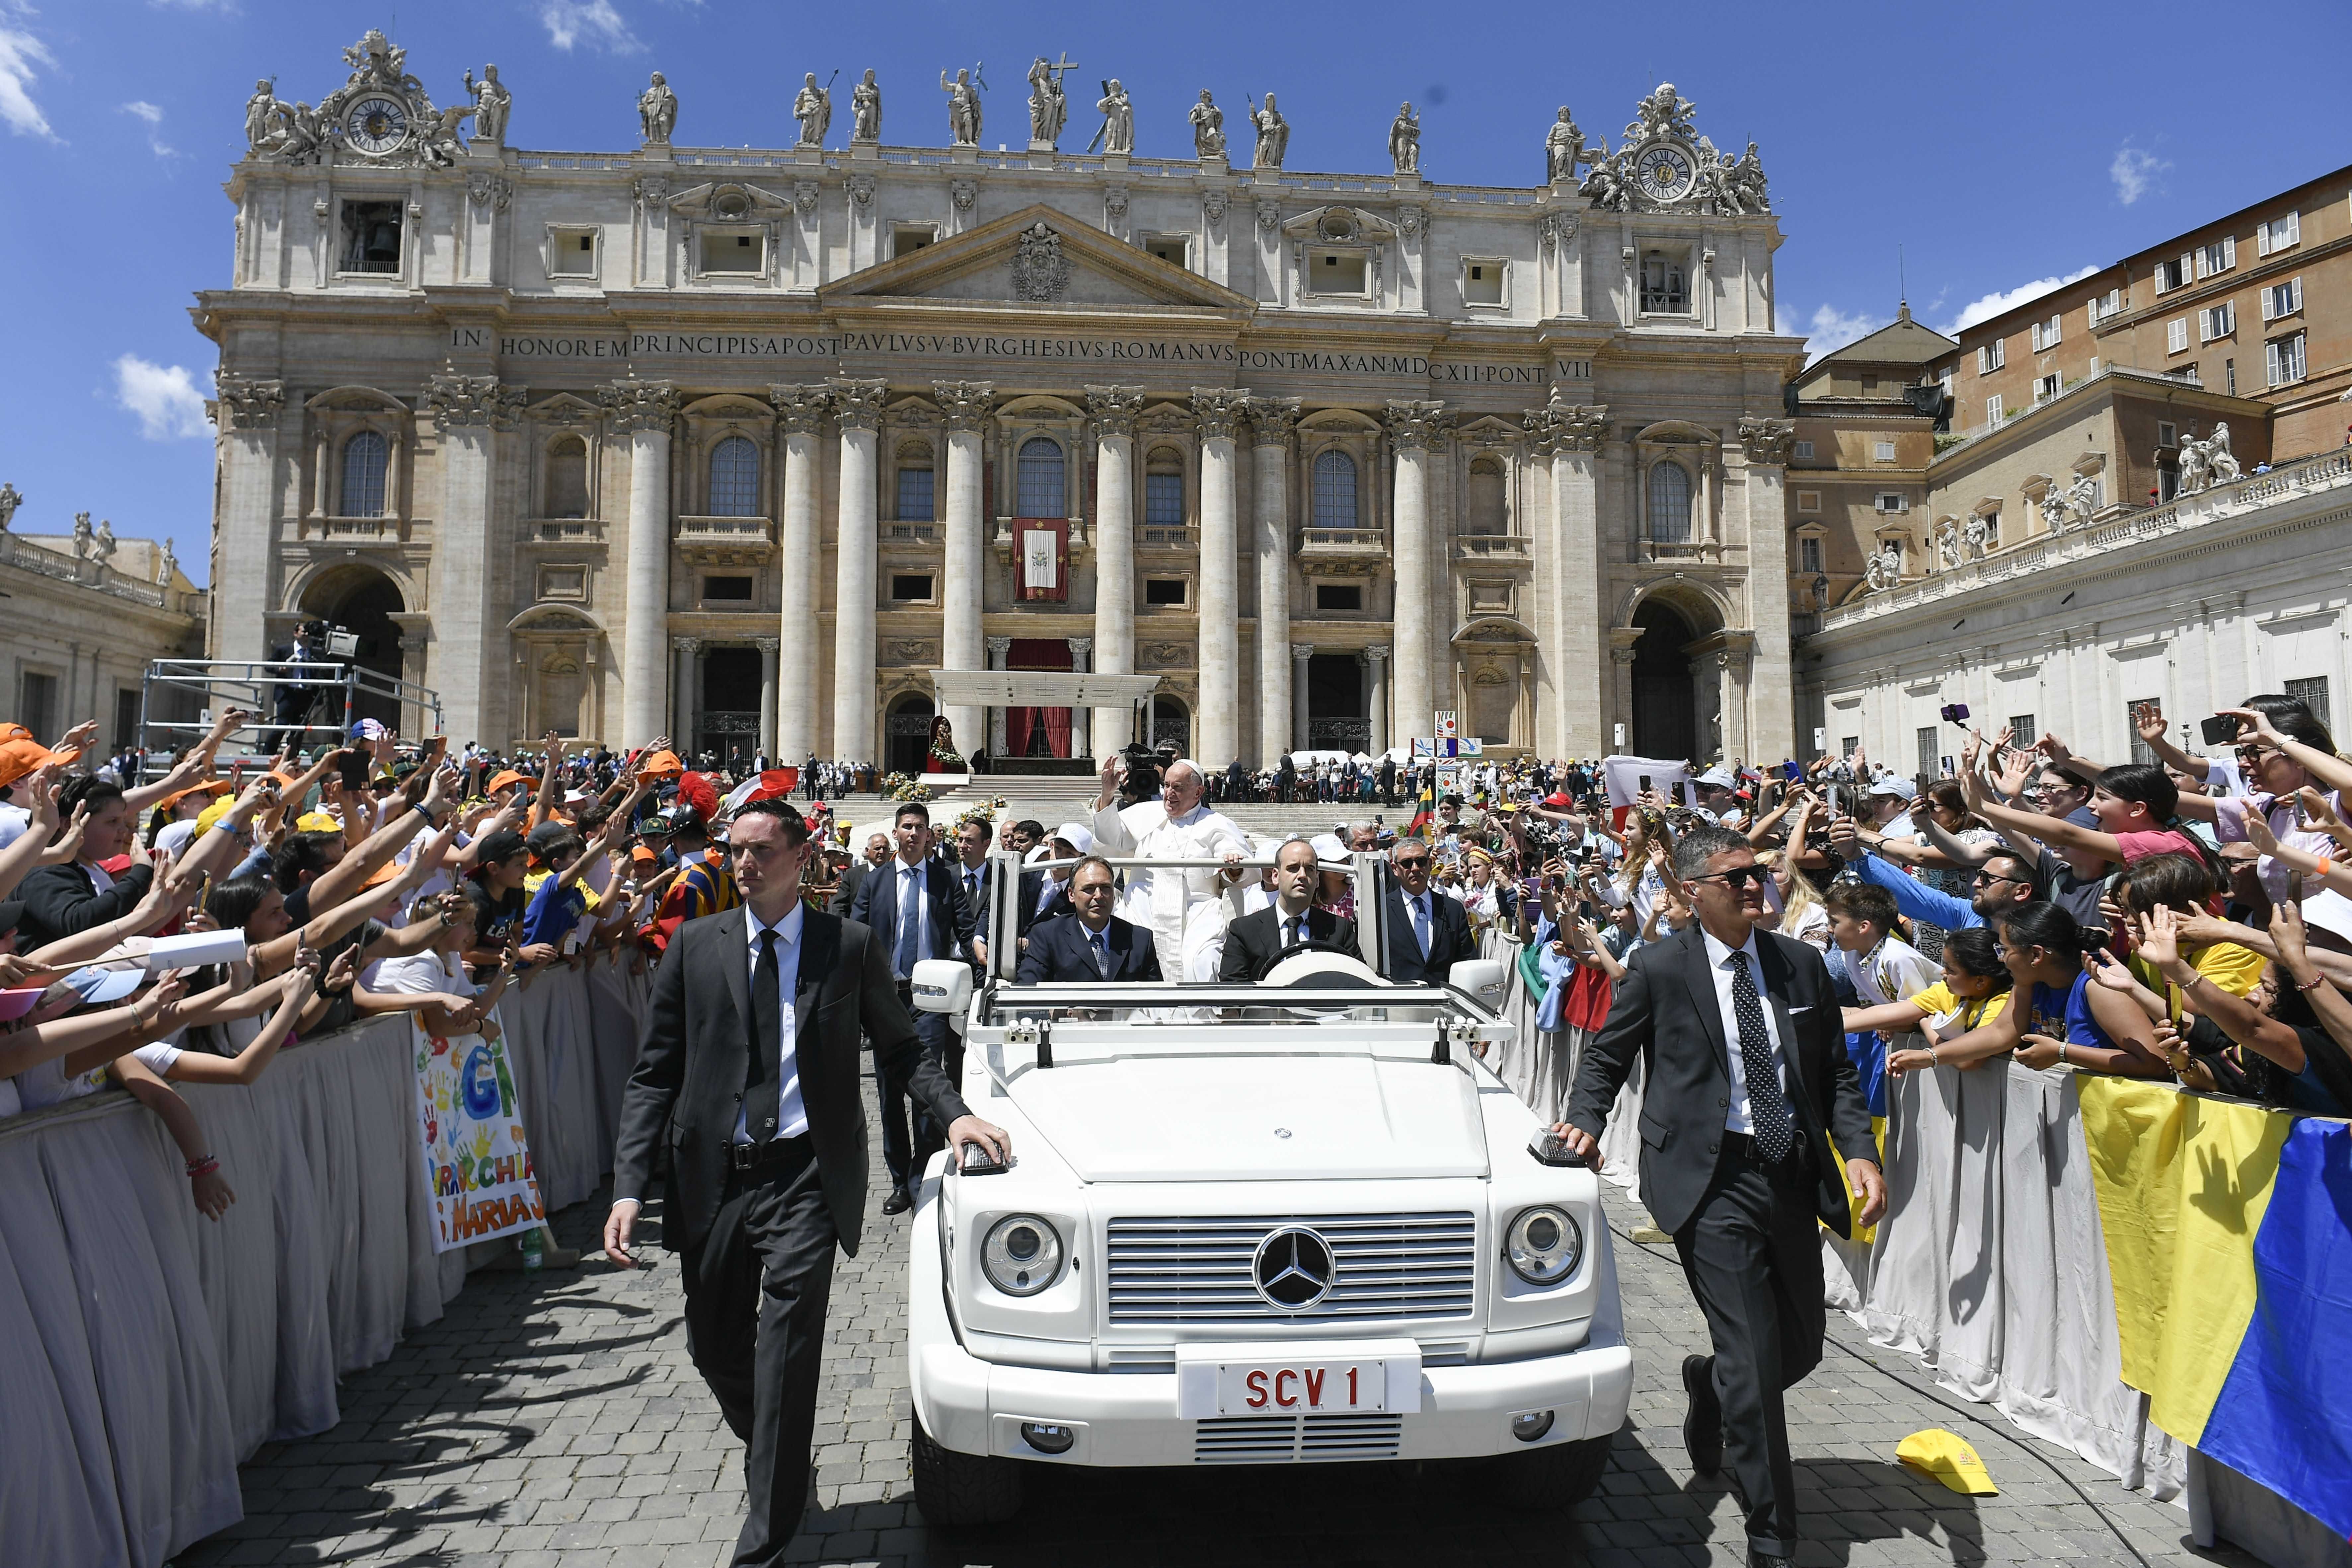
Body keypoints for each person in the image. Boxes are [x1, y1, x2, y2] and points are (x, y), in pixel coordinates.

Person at [604, 799, 1008, 1567]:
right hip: (714, 1179)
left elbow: (901, 1051)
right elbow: (654, 1076)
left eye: (759, 851)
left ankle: (766, 1541)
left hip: (804, 1178)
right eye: (734, 850)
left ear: (801, 857)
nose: (743, 863)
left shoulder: (846, 945)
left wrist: (953, 1116)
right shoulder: (693, 947)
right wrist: (630, 1185)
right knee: (715, 1347)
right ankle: (779, 1455)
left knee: (786, 1358)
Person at [1551, 824, 1884, 1568]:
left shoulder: (1800, 966)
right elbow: (1608, 1055)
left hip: (1790, 1175)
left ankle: (1707, 1382)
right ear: (1696, 892)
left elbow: (1834, 1072)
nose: (1751, 885)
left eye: (1756, 873)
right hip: (1708, 1181)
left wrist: (1858, 1152)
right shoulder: (1659, 967)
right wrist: (1582, 1120)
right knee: (1757, 1359)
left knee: (1797, 1345)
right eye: (1734, 877)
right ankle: (1774, 1535)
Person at [846, 802, 975, 1215]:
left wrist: (977, 960)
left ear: (929, 835)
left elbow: (965, 927)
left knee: (927, 1087)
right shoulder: (876, 881)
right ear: (896, 833)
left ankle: (926, 1176)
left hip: (931, 997)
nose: (913, 833)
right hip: (887, 997)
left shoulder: (945, 878)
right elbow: (858, 931)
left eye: (920, 827)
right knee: (888, 1095)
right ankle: (899, 1180)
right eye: (906, 827)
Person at [1089, 753, 1248, 969]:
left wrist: (1234, 865)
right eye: (1167, 786)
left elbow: (1234, 856)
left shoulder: (1216, 823)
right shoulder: (1146, 813)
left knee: (1202, 960)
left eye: (1179, 788)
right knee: (1134, 961)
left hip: (1196, 911)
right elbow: (1110, 838)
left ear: (1198, 792)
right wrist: (1107, 794)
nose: (1170, 794)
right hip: (1144, 907)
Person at [1220, 836, 1361, 980]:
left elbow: (1360, 980)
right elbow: (1233, 987)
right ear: (1276, 876)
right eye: (1293, 869)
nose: (1302, 875)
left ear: (1318, 879)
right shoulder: (1244, 930)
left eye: (1310, 869)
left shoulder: (1339, 929)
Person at [1016, 856, 1161, 983]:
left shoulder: (1140, 939)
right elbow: (1028, 989)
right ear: (1071, 895)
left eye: (1105, 888)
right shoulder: (1047, 936)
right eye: (1089, 889)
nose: (1098, 896)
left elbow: (1157, 1002)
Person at [1381, 836, 1476, 983]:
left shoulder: (1453, 909)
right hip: (1400, 999)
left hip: (1445, 998)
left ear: (1430, 864)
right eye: (1407, 863)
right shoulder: (1383, 910)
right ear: (1395, 869)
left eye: (1421, 862)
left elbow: (1467, 959)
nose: (1415, 869)